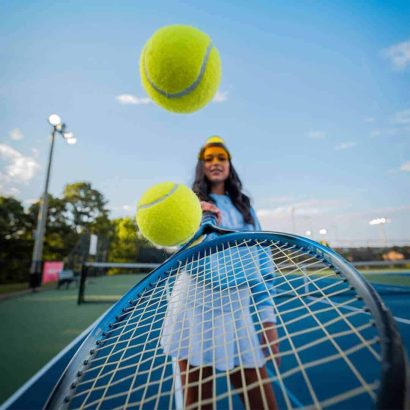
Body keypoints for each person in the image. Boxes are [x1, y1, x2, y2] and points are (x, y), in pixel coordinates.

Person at [161, 136, 279, 409]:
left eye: (221, 158)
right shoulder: (189, 204)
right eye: (209, 158)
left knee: (262, 401)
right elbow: (178, 249)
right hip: (194, 304)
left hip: (235, 307)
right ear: (201, 166)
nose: (215, 163)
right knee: (199, 403)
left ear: (229, 165)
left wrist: (268, 321)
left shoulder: (246, 209)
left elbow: (262, 264)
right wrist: (192, 218)